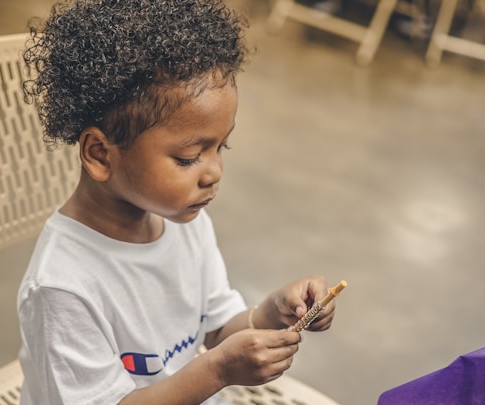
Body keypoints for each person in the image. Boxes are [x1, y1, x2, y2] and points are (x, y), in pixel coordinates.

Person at [17, 1, 336, 404]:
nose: (214, 172)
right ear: (100, 154)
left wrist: (275, 311)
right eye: (188, 157)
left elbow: (218, 329)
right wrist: (216, 369)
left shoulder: (185, 220)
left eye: (221, 146)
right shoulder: (61, 286)